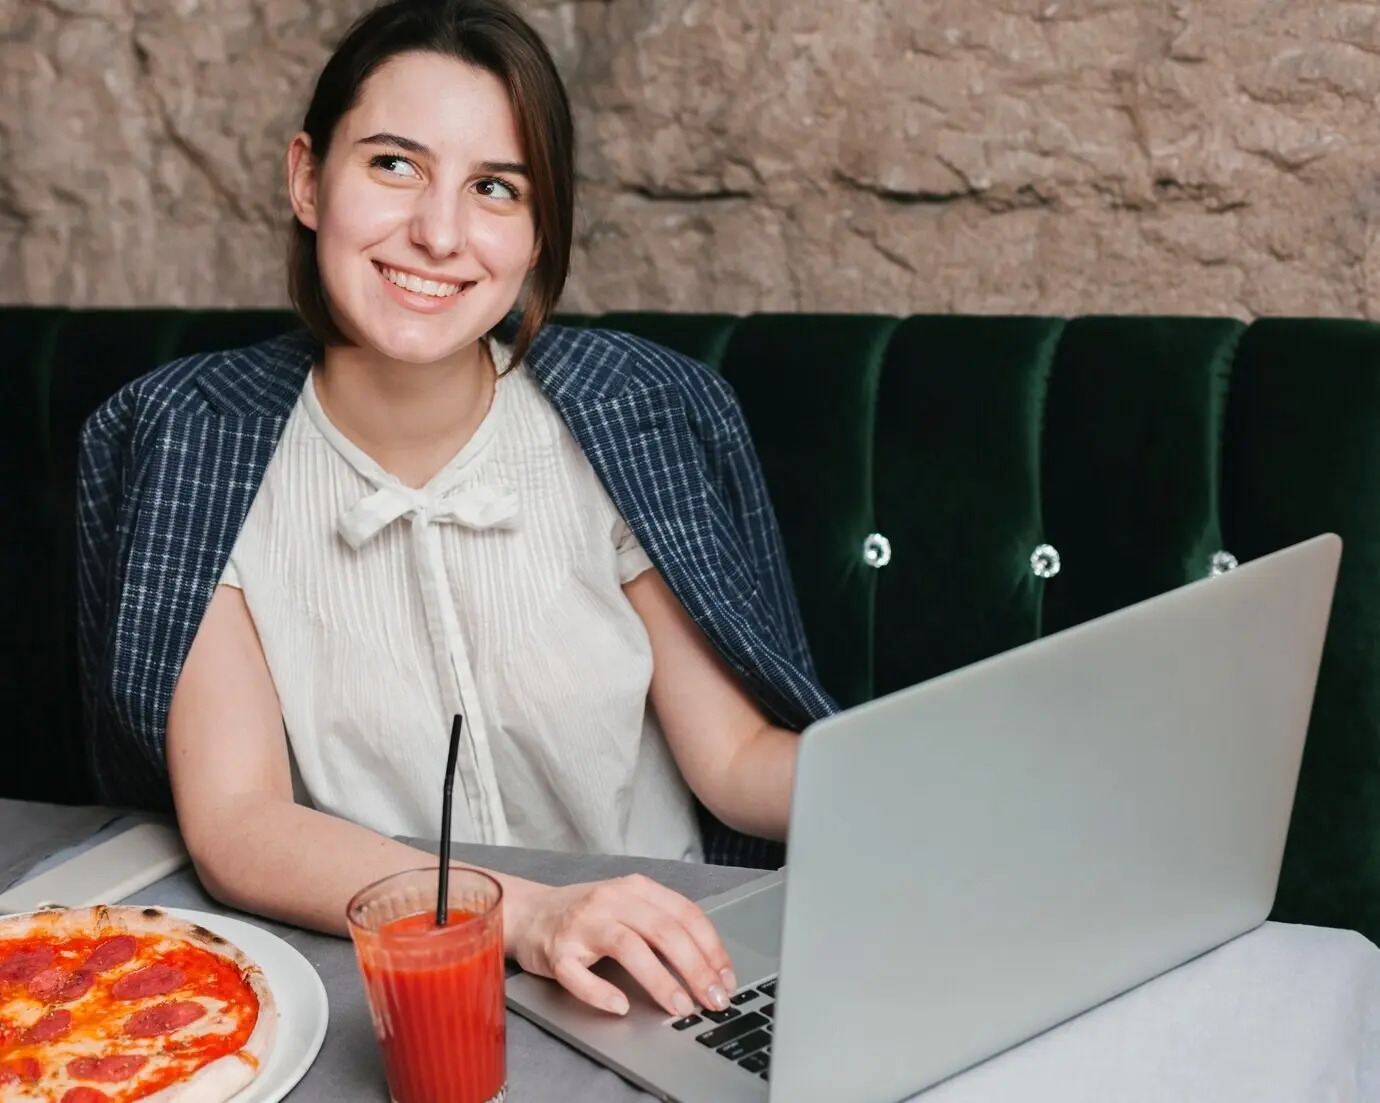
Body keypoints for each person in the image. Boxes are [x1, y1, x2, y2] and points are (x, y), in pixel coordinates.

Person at [75, 0, 836, 1019]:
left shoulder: (627, 418)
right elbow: (239, 821)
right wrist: (526, 916)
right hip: (381, 986)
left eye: (495, 188)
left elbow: (738, 762)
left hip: (658, 970)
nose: (438, 232)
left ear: (536, 233)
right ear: (308, 179)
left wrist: (976, 781)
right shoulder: (195, 445)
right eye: (394, 164)